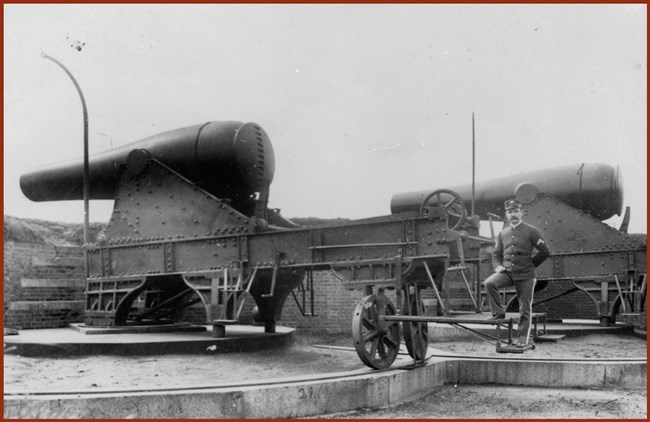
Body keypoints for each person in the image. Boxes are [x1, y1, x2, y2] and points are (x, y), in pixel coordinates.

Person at [484, 198, 550, 347]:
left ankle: (522, 339)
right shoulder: (503, 233)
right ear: (506, 214)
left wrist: (530, 265)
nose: (513, 214)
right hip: (507, 272)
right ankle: (498, 314)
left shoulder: (532, 231)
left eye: (515, 211)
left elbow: (544, 252)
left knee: (524, 308)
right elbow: (496, 254)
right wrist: (498, 267)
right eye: (510, 212)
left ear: (521, 213)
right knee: (489, 283)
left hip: (526, 275)